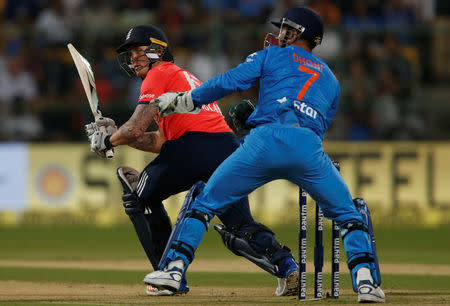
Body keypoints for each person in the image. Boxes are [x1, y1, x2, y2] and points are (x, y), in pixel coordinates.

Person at [143, 8, 386, 303]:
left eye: (285, 29)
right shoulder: (332, 79)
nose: (279, 34)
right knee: (348, 215)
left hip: (263, 143)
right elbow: (312, 122)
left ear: (295, 33)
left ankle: (174, 270)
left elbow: (228, 82)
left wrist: (183, 100)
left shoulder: (270, 56)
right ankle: (366, 285)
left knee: (204, 201)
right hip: (308, 148)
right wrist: (259, 117)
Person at [87, 25, 299, 296]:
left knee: (138, 197)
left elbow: (136, 128)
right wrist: (117, 132)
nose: (133, 58)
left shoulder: (159, 73)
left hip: (192, 147)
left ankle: (169, 275)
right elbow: (158, 140)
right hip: (225, 148)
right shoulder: (184, 77)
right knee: (239, 224)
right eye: (130, 53)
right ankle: (286, 265)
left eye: (139, 51)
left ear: (158, 51)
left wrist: (106, 140)